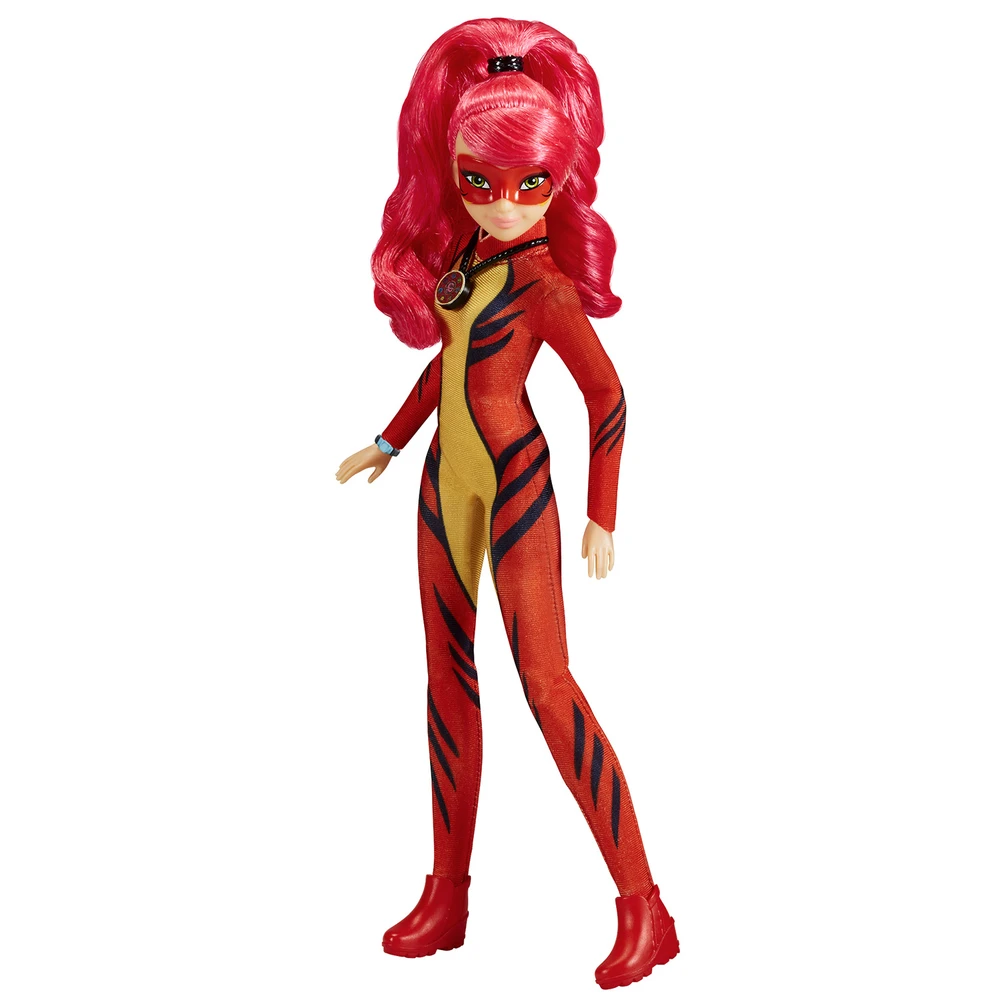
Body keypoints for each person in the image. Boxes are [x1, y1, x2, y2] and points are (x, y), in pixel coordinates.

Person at [336, 18, 679, 990]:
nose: (503, 203)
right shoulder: (467, 261)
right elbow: (447, 366)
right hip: (443, 479)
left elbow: (608, 398)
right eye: (479, 182)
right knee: (446, 683)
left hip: (516, 482)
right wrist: (389, 441)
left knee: (548, 686)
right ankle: (446, 897)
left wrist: (603, 515)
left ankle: (645, 909)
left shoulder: (545, 285)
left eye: (531, 184)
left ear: (558, 181)